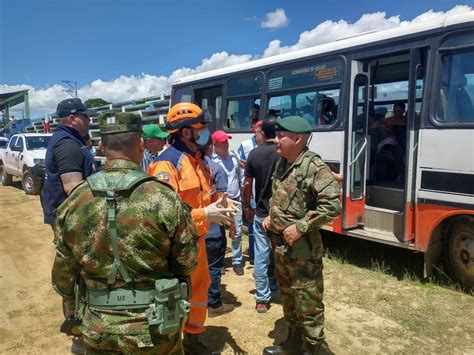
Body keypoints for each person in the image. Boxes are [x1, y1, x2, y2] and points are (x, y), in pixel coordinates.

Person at [52, 111, 198, 354]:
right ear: (141, 144)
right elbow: (187, 263)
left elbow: (63, 278)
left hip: (99, 327)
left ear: (100, 146)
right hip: (155, 327)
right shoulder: (164, 197)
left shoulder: (75, 201)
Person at [147, 102, 239, 354]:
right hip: (175, 247)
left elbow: (203, 197)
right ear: (186, 132)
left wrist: (218, 203)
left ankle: (194, 338)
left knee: (199, 290)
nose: (206, 132)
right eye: (202, 128)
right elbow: (163, 214)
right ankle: (171, 344)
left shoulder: (200, 161)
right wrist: (204, 214)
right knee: (174, 295)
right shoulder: (166, 164)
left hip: (197, 241)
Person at [262, 116, 341, 355]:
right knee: (288, 299)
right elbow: (282, 198)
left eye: (281, 135)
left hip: (303, 253)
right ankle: (293, 345)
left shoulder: (313, 166)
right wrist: (270, 217)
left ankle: (315, 349)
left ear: (297, 138)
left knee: (309, 305)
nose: (275, 140)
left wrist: (301, 226)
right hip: (283, 249)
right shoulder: (282, 163)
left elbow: (333, 207)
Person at [41, 98, 97, 226]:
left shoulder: (71, 138)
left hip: (69, 212)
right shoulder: (67, 145)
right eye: (86, 116)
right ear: (73, 119)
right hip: (71, 217)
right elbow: (73, 187)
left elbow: (87, 147)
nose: (89, 120)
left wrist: (84, 133)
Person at [243, 119, 278, 313]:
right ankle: (276, 285)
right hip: (281, 215)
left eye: (256, 133)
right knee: (280, 252)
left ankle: (262, 298)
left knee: (261, 256)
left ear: (263, 134)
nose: (255, 136)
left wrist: (247, 206)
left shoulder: (254, 154)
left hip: (261, 213)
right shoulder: (283, 153)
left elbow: (247, 184)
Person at [202, 140, 235, 317]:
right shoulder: (215, 168)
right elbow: (224, 203)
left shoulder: (185, 169)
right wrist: (232, 224)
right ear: (210, 148)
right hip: (213, 229)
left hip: (194, 228)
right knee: (213, 268)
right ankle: (214, 304)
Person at [212, 130, 245, 276]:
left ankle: (237, 260)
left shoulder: (234, 157)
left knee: (236, 231)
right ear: (215, 145)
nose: (226, 144)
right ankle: (220, 262)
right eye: (222, 142)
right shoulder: (212, 161)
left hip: (236, 200)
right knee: (219, 234)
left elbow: (240, 176)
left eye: (227, 141)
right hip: (219, 202)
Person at [237, 120, 264, 265]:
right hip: (252, 192)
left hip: (264, 192)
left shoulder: (271, 145)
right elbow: (242, 169)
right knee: (253, 226)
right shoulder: (245, 145)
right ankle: (254, 254)